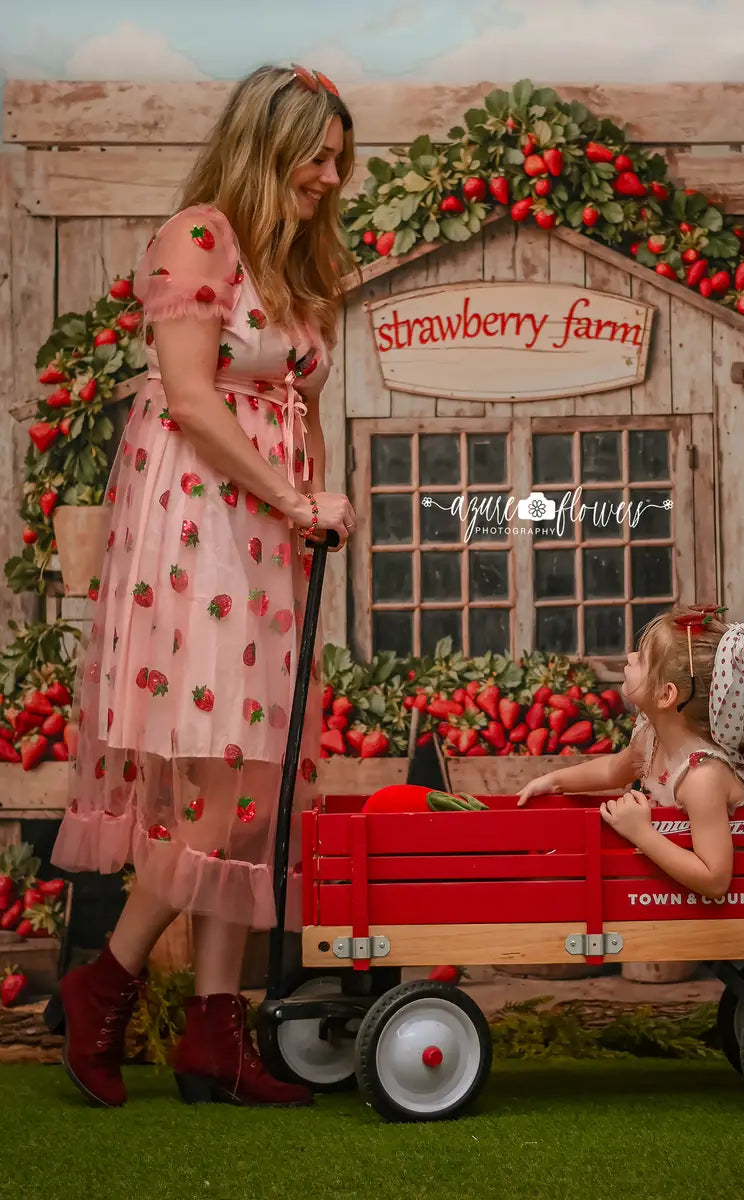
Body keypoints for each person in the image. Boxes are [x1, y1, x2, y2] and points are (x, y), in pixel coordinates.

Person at [48, 64, 358, 1109]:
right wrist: (291, 496)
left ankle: (215, 1036)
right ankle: (106, 980)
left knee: (261, 781)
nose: (329, 178)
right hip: (202, 525)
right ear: (266, 145)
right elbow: (188, 397)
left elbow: (301, 408)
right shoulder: (198, 238)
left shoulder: (294, 262)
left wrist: (318, 498)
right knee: (221, 784)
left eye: (337, 161)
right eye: (316, 157)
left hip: (270, 534)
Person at [517, 607, 744, 898]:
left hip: (739, 908)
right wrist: (553, 782)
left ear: (666, 695)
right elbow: (611, 770)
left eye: (642, 658)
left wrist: (641, 833)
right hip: (663, 901)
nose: (630, 657)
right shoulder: (652, 740)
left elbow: (715, 880)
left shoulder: (702, 777)